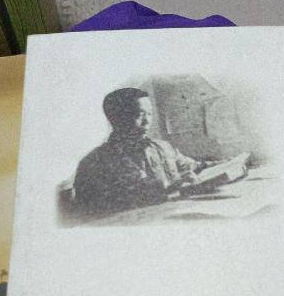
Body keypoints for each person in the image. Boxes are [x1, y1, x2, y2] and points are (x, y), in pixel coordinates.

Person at [72, 87, 206, 216]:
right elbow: (91, 212)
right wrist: (169, 186)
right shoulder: (95, 162)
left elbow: (190, 166)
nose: (147, 121)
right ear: (117, 118)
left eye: (150, 114)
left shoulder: (163, 147)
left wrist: (211, 167)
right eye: (140, 114)